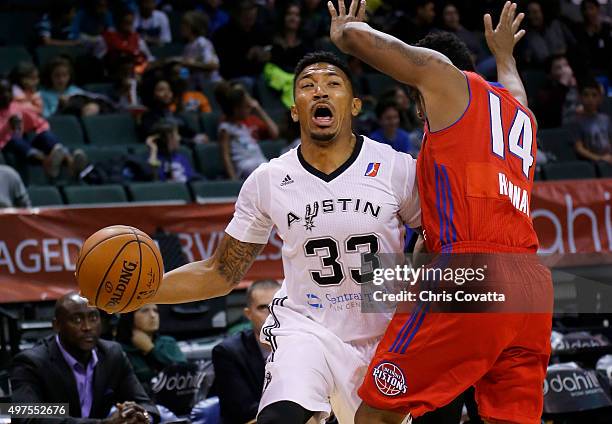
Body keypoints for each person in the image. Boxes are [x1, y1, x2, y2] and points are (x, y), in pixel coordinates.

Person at [91, 48, 421, 424]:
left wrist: (412, 293)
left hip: (385, 334)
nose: (320, 92)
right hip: (307, 330)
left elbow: (438, 239)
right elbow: (221, 272)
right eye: (308, 86)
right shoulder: (269, 180)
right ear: (296, 110)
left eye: (333, 84)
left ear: (356, 105)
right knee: (278, 417)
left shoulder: (396, 168)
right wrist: (141, 292)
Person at [328, 1, 553, 423]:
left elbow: (405, 57)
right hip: (533, 287)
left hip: (472, 271)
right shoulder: (518, 114)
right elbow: (517, 90)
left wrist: (347, 33)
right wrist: (504, 56)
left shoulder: (446, 80)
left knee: (378, 412)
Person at [10, 292, 159, 423]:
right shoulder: (31, 363)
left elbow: (147, 406)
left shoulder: (112, 355)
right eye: (77, 320)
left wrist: (140, 417)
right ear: (57, 325)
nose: (87, 327)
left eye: (93, 317)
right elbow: (25, 416)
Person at [212, 279, 280, 424]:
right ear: (248, 314)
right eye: (263, 308)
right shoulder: (227, 353)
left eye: (277, 306)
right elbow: (243, 412)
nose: (272, 314)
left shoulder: (302, 346)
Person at [0, 78, 76, 179]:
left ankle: (69, 160)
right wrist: (7, 127)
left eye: (8, 91)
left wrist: (38, 132)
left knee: (45, 135)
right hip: (6, 147)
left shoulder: (18, 107)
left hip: (23, 144)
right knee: (15, 141)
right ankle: (48, 162)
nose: (6, 95)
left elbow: (41, 124)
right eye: (1, 92)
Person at [214, 81, 278, 179]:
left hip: (259, 163)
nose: (250, 108)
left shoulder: (243, 126)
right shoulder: (225, 128)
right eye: (246, 107)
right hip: (246, 167)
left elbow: (275, 134)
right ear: (236, 110)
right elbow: (225, 156)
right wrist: (233, 179)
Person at [116, 304, 186, 390]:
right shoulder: (119, 350)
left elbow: (184, 376)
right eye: (145, 311)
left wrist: (150, 349)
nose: (153, 315)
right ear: (129, 316)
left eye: (155, 311)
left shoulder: (167, 342)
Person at [572, 78, 611, 164]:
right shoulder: (577, 122)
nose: (590, 99)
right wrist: (599, 158)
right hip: (593, 162)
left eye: (594, 95)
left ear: (600, 98)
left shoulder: (606, 119)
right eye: (586, 95)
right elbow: (579, 148)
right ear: (580, 97)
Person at [535, 54, 580, 128]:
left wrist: (574, 87)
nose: (565, 71)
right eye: (558, 68)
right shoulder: (544, 92)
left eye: (566, 65)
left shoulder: (577, 86)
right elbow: (551, 114)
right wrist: (563, 84)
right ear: (549, 74)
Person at [179, 11, 221, 87]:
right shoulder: (187, 47)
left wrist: (192, 64)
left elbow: (213, 66)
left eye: (185, 25)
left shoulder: (202, 42)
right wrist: (181, 72)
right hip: (194, 86)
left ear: (193, 26)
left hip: (210, 85)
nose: (182, 27)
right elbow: (184, 72)